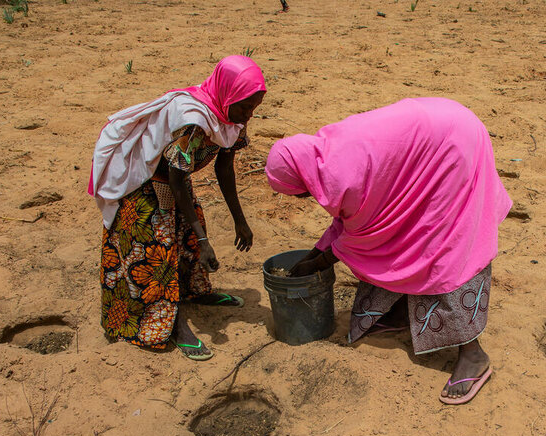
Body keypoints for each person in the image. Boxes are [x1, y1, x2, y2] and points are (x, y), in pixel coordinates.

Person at [265, 98, 512, 404]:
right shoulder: (327, 152)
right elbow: (350, 220)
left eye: (298, 191)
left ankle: (473, 354)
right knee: (407, 233)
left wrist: (320, 261)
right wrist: (314, 255)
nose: (304, 196)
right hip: (443, 130)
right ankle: (398, 310)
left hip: (452, 146)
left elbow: (365, 235)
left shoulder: (341, 173)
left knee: (441, 246)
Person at [89, 56, 266, 360]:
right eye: (245, 107)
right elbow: (175, 178)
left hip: (174, 179)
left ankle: (194, 293)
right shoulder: (193, 120)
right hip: (143, 182)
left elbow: (225, 168)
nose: (248, 115)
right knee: (158, 248)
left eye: (254, 108)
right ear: (228, 95)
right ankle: (174, 324)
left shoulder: (231, 117)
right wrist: (203, 240)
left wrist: (240, 220)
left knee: (189, 228)